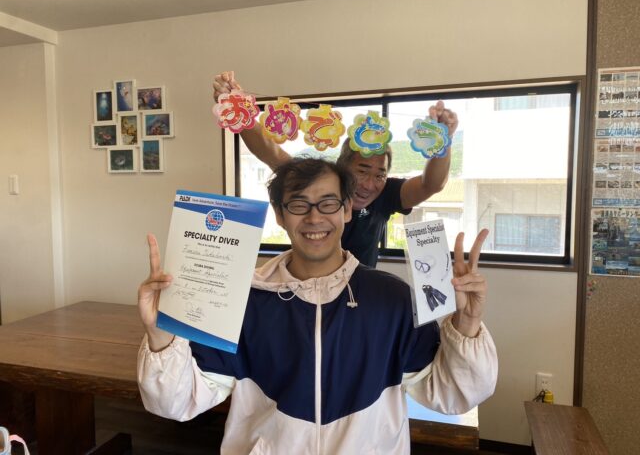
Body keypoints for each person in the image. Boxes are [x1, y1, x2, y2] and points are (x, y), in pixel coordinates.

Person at [137, 158, 498, 455]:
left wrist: (467, 323)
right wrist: (160, 334)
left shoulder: (393, 300)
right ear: (279, 215)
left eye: (328, 203)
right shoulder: (242, 301)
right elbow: (176, 403)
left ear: (347, 210)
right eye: (298, 205)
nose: (314, 218)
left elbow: (453, 396)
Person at [213, 71, 458, 267]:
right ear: (342, 166)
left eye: (379, 174)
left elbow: (431, 184)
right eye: (362, 171)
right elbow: (272, 153)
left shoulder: (386, 193)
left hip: (360, 294)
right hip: (308, 286)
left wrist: (443, 140)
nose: (369, 184)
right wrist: (235, 107)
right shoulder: (320, 181)